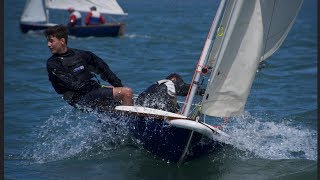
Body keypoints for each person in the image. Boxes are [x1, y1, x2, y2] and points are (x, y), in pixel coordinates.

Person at [44, 25, 133, 112]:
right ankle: (129, 123)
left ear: (62, 41)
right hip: (77, 98)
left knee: (118, 100)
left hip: (90, 92)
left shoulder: (82, 55)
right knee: (127, 92)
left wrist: (118, 85)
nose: (48, 45)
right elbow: (72, 84)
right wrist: (100, 87)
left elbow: (104, 69)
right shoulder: (53, 64)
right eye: (48, 41)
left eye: (51, 41)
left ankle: (116, 124)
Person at [136, 73, 205, 113]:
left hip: (142, 106)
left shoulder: (156, 84)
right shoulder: (169, 83)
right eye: (180, 82)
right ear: (174, 79)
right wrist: (200, 91)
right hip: (158, 105)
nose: (181, 83)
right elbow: (183, 88)